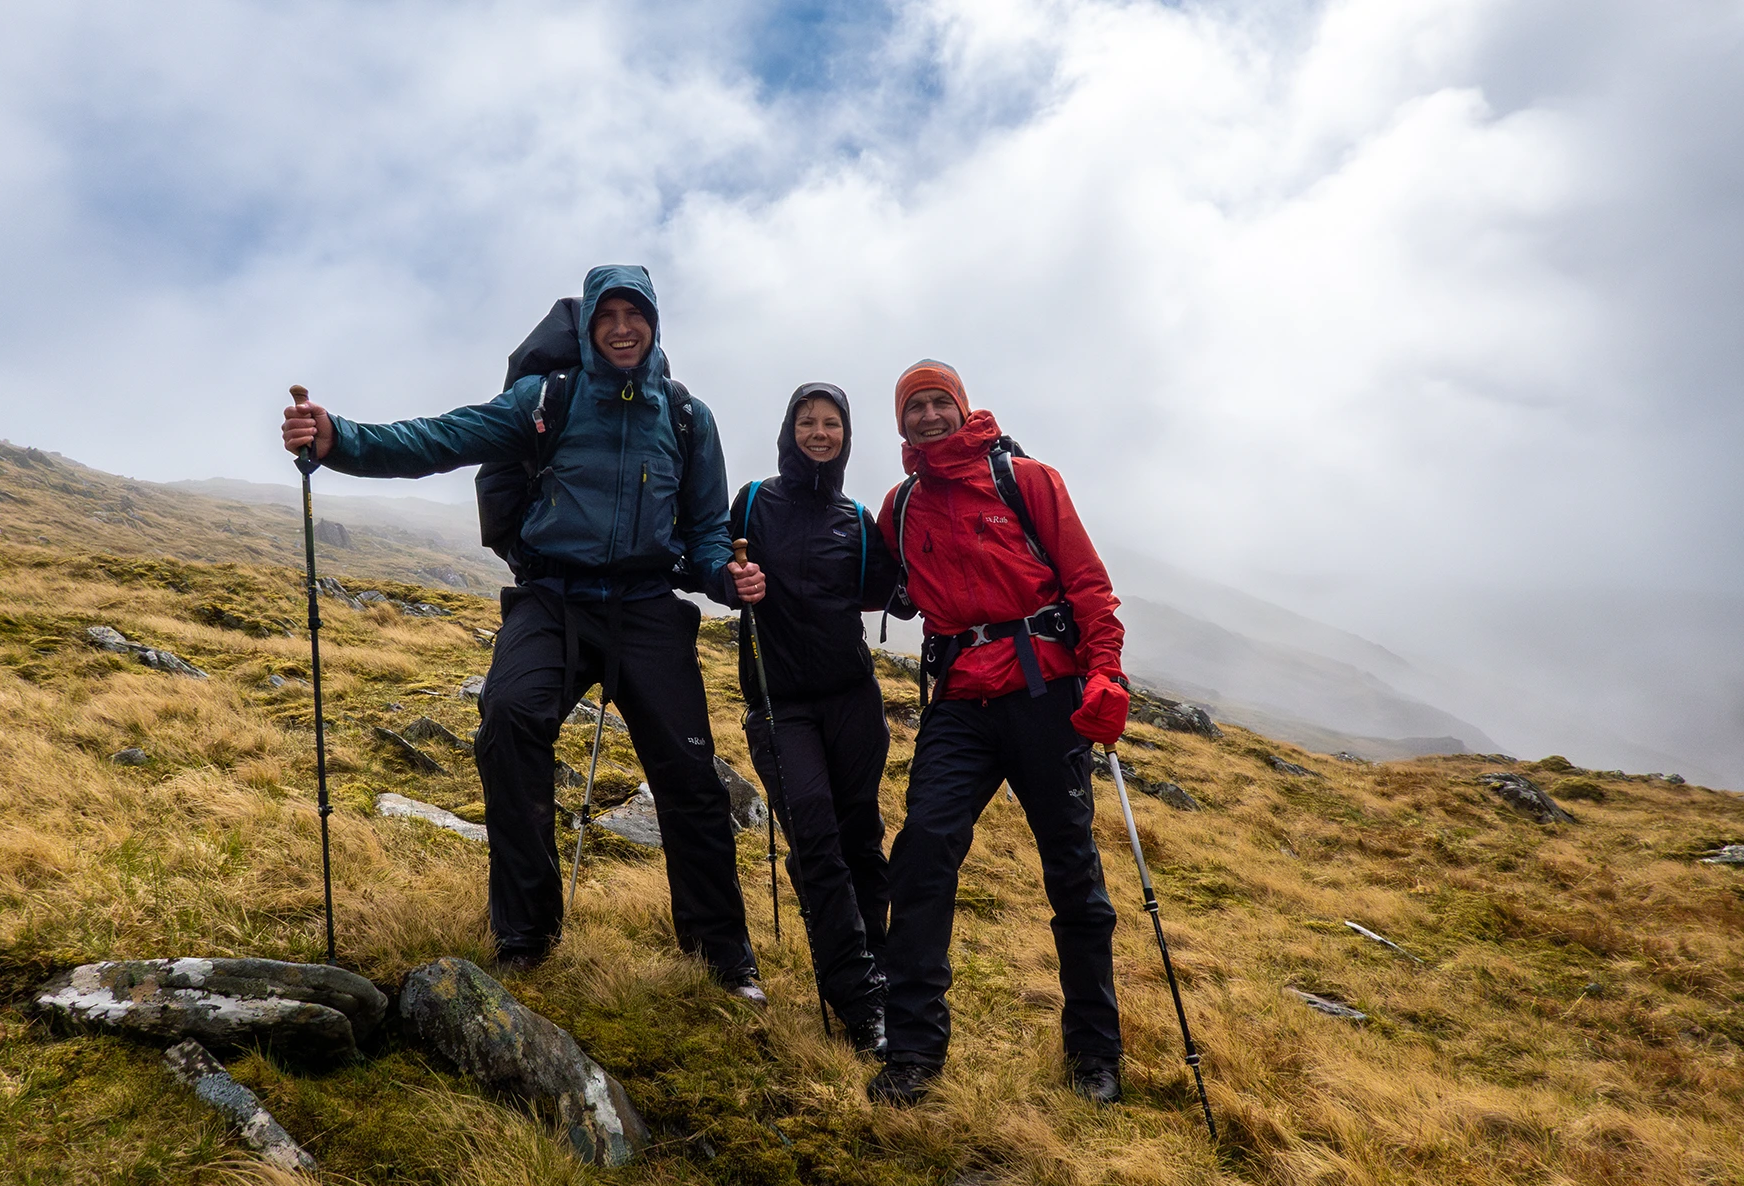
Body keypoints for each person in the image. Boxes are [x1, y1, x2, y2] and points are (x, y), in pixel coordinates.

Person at [279, 265, 768, 999]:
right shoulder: (545, 401)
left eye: (636, 315)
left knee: (692, 777)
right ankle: (526, 933)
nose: (623, 328)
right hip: (552, 598)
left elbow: (702, 532)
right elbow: (439, 439)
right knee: (508, 719)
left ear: (655, 324)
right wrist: (336, 439)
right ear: (587, 327)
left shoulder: (688, 417)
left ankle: (724, 957)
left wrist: (725, 577)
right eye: (609, 316)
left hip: (645, 605)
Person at [867, 359, 1133, 1105]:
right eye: (913, 407)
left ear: (961, 408)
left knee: (1073, 873)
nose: (926, 417)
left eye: (937, 403)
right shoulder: (903, 504)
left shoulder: (1027, 479)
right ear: (902, 422)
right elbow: (871, 579)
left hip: (1048, 695)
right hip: (959, 703)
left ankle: (1095, 1056)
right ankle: (913, 1054)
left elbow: (1087, 583)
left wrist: (1105, 673)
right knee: (922, 852)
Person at [731, 383, 901, 1055]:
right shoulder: (752, 502)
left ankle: (881, 967)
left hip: (853, 701)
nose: (819, 432)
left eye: (831, 423)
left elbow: (892, 589)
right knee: (817, 837)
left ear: (846, 435)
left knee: (861, 838)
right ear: (789, 429)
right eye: (808, 420)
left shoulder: (856, 520)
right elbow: (710, 563)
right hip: (779, 705)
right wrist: (728, 578)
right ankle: (859, 1001)